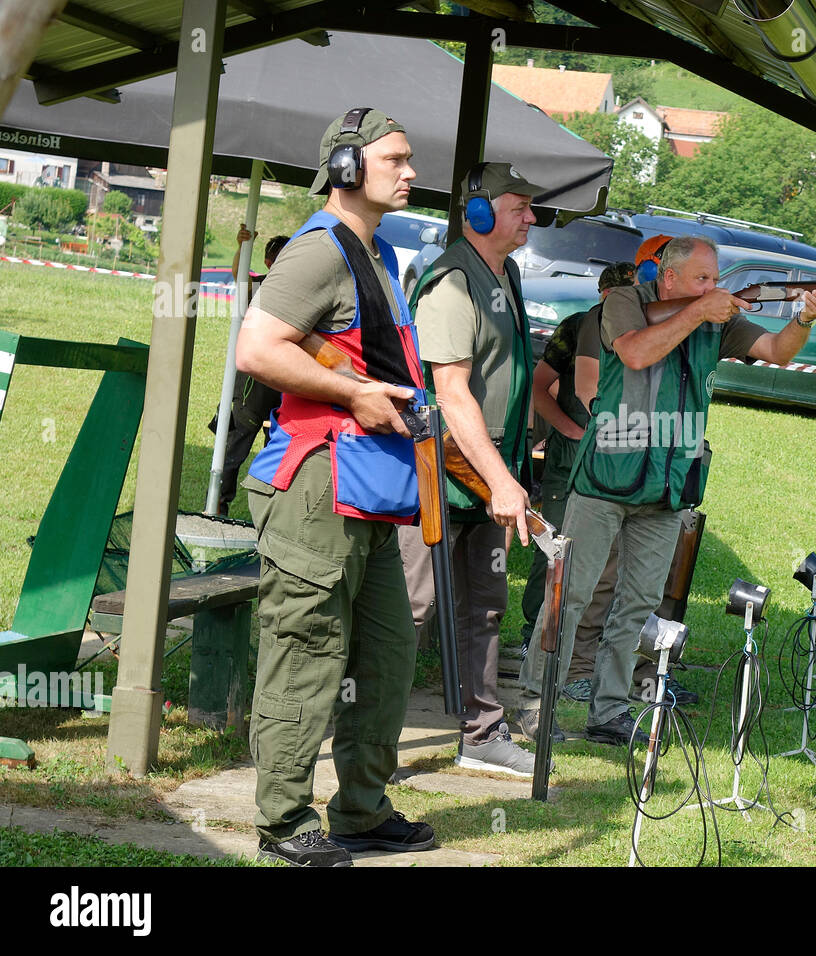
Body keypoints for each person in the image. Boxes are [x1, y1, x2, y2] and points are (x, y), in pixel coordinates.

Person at [517, 235, 816, 745]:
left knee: (637, 605)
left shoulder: (719, 319)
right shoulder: (626, 301)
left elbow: (776, 351)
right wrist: (698, 312)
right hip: (607, 475)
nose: (713, 288)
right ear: (668, 279)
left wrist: (805, 318)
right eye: (702, 279)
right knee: (571, 595)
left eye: (715, 280)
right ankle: (535, 703)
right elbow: (636, 353)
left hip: (667, 484)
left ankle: (608, 711)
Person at [235, 108, 435, 867]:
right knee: (307, 652)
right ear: (349, 166)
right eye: (397, 158)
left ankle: (361, 810)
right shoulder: (321, 252)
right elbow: (257, 346)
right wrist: (351, 396)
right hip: (316, 483)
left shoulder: (372, 250)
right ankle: (284, 824)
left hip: (369, 489)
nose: (410, 172)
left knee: (385, 657)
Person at [398, 161, 542, 776]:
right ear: (479, 213)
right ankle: (366, 732)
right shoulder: (453, 282)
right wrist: (504, 481)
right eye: (519, 207)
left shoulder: (502, 272)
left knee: (484, 603)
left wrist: (506, 476)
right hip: (439, 472)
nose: (532, 218)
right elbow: (451, 395)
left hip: (485, 473)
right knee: (412, 607)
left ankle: (481, 732)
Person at [207, 228, 291, 516]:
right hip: (251, 388)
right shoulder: (261, 288)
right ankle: (217, 504)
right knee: (232, 449)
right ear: (269, 262)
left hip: (285, 387)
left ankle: (272, 512)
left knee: (278, 453)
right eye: (281, 258)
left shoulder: (300, 292)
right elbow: (240, 277)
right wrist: (244, 246)